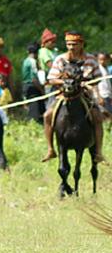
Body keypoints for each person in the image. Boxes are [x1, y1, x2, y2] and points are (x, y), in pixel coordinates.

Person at [41, 31, 105, 163]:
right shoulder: (60, 59)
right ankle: (50, 149)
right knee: (47, 115)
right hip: (63, 95)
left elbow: (98, 77)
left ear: (81, 44)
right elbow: (51, 79)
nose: (71, 47)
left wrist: (87, 82)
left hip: (84, 94)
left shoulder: (91, 60)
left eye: (74, 44)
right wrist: (65, 82)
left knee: (97, 117)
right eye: (68, 44)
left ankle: (98, 152)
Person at [21, 43, 45, 123]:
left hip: (26, 85)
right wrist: (42, 90)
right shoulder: (32, 62)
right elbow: (34, 79)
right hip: (32, 87)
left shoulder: (26, 61)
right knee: (35, 110)